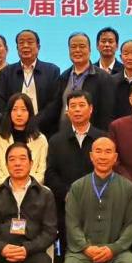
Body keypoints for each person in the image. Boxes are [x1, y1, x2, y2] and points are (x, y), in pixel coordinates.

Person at [44, 90, 107, 252]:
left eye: (81, 105)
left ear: (91, 109)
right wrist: (67, 194)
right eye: (72, 106)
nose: (77, 110)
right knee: (66, 252)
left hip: (98, 204)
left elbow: (108, 171)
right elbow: (50, 174)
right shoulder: (56, 140)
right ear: (67, 111)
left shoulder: (102, 139)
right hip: (66, 206)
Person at [44, 32, 116, 131]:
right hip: (64, 135)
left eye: (82, 46)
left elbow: (107, 115)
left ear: (90, 50)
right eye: (73, 47)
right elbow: (55, 109)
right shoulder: (63, 77)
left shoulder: (104, 78)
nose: (77, 50)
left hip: (93, 137)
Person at [0, 29, 62, 134]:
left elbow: (54, 103)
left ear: (38, 47)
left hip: (44, 130)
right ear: (17, 48)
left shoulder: (52, 70)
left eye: (30, 42)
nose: (25, 46)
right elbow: (2, 103)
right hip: (14, 130)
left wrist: (34, 123)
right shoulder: (6, 72)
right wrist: (17, 123)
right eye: (21, 43)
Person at [0, 93, 48, 187]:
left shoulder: (41, 139)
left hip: (33, 190)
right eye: (15, 109)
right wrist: (10, 188)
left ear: (30, 112)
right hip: (4, 191)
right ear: (9, 112)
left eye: (23, 110)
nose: (19, 114)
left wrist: (26, 188)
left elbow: (42, 171)